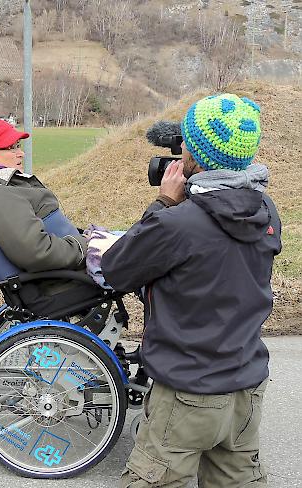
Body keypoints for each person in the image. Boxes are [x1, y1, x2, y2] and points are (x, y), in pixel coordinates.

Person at [100, 94, 281, 487]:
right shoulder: (266, 212)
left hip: (187, 392)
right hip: (246, 386)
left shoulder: (178, 224)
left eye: (185, 144)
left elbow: (116, 268)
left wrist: (164, 202)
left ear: (193, 156)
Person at [0, 118, 90, 273]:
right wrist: (88, 246)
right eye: (11, 148)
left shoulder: (2, 187)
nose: (21, 153)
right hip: (73, 277)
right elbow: (38, 253)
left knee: (125, 241)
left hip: (76, 265)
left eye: (18, 146)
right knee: (126, 245)